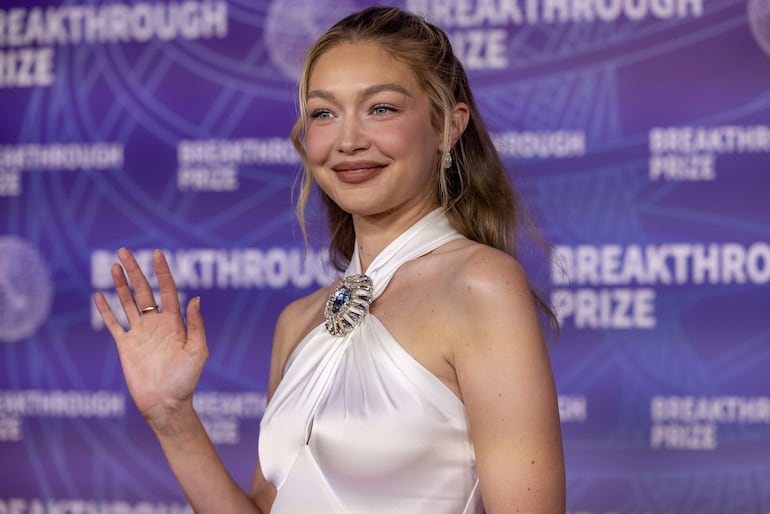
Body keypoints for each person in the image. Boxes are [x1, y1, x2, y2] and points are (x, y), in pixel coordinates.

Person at [94, 6, 565, 514]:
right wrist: (172, 416)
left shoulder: (481, 286)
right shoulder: (297, 323)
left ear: (448, 127)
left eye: (381, 108)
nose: (347, 140)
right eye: (324, 113)